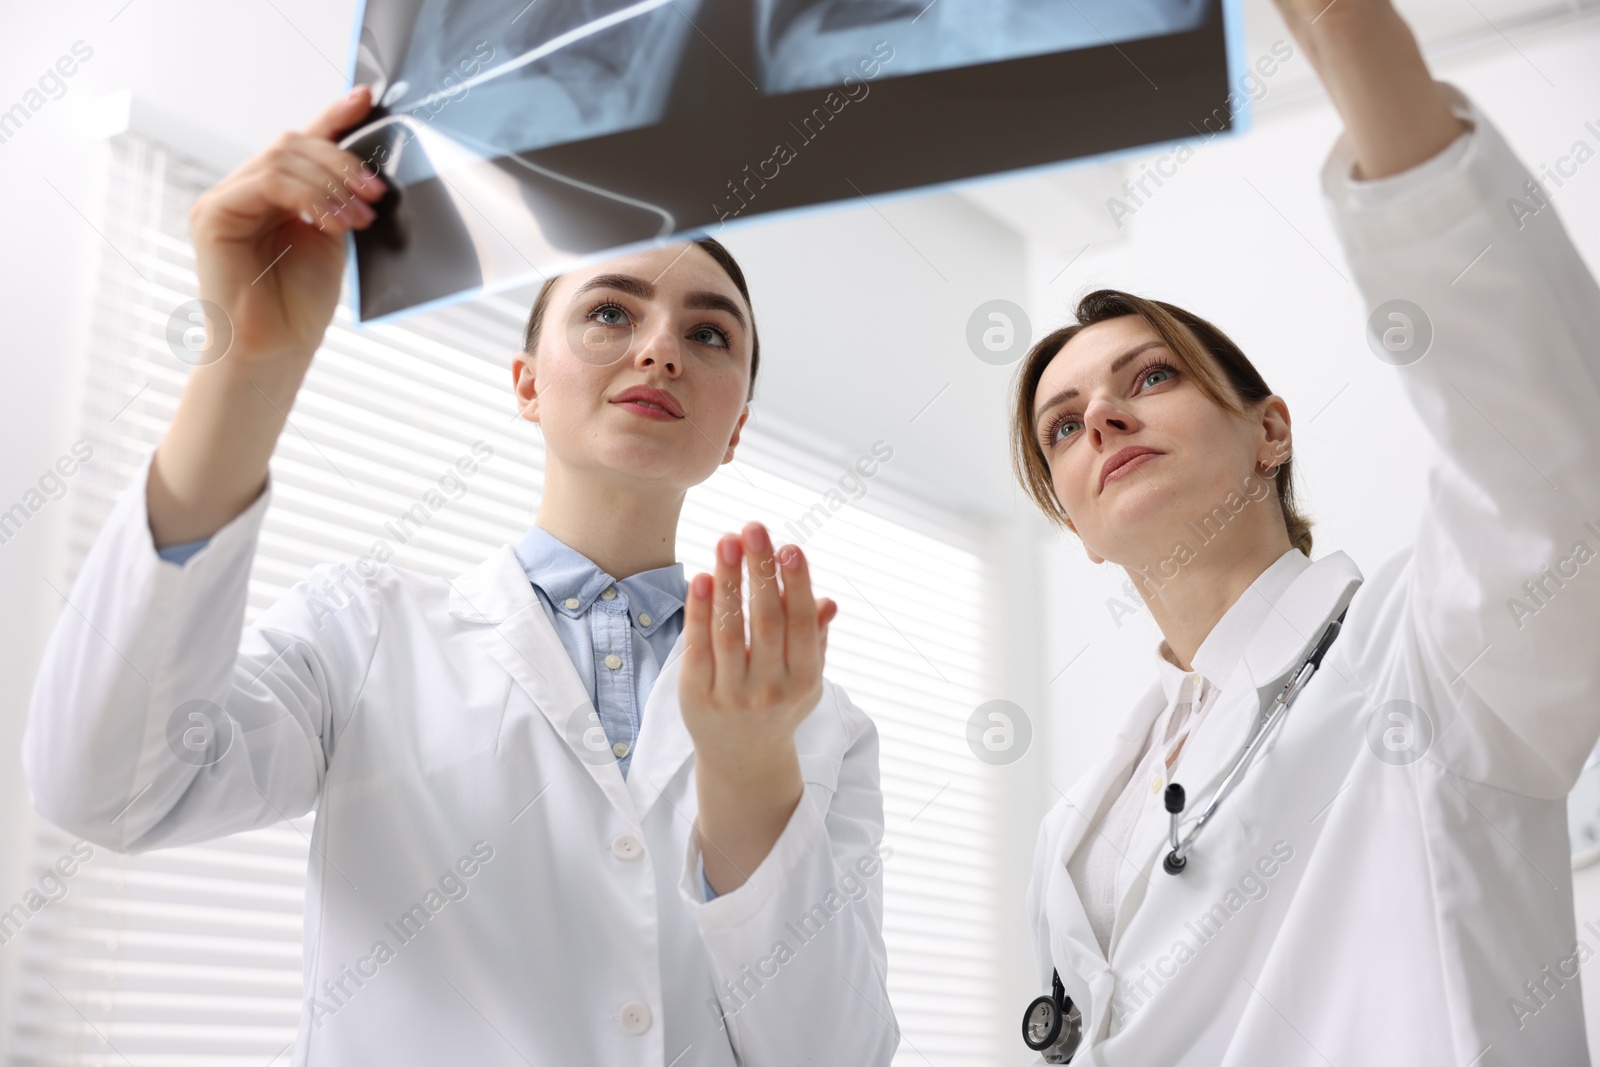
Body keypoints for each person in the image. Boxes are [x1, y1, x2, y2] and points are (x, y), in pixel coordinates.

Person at [22, 86, 897, 1066]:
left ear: (734, 425)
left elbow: (838, 1053)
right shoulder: (363, 633)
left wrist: (748, 778)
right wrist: (247, 367)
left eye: (709, 333)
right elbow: (103, 786)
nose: (659, 347)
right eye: (610, 310)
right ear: (525, 382)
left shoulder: (817, 725)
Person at [1014, 1, 1600, 1063]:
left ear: (1268, 430)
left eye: (1149, 376)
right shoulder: (1077, 822)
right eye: (1063, 425)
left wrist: (1349, 36)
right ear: (1078, 526)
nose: (1100, 417)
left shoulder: (1426, 660)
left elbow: (1551, 457)